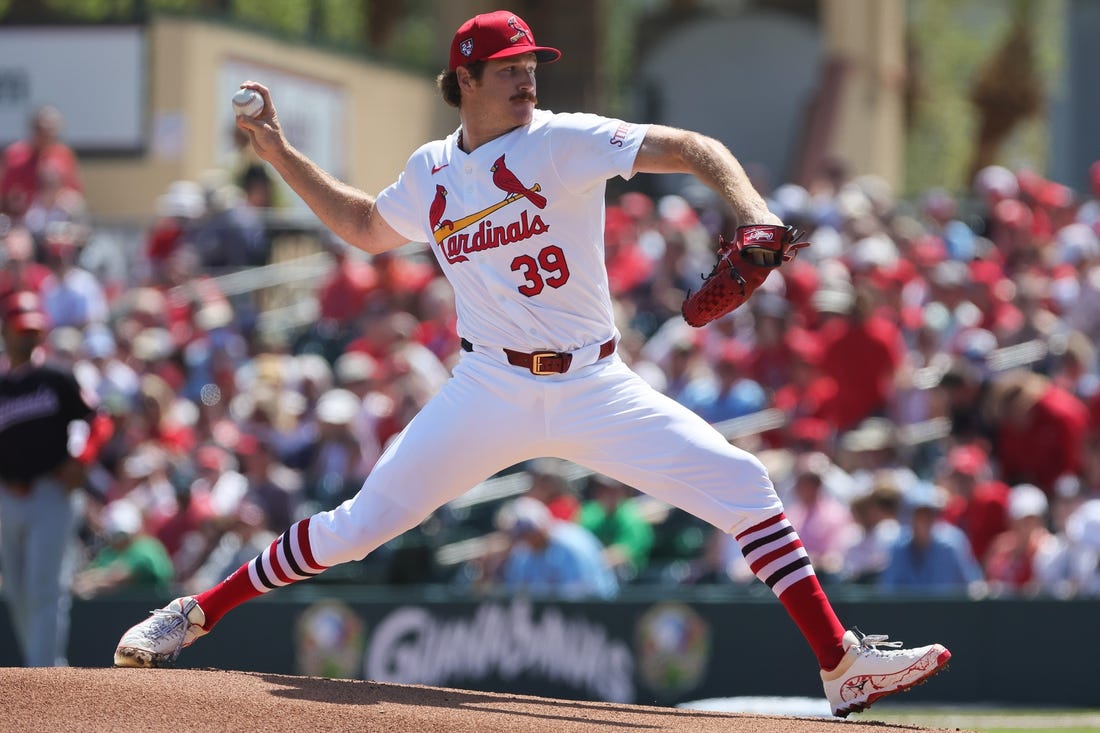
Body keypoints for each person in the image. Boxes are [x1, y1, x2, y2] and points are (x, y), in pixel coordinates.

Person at [112, 10, 950, 717]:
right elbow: (370, 226)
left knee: (744, 486)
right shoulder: (433, 170)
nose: (528, 79)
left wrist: (754, 212)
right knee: (356, 527)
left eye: (532, 66)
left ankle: (841, 665)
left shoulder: (564, 142)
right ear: (466, 78)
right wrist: (281, 154)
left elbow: (694, 146)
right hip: (488, 386)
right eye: (509, 68)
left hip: (593, 383)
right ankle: (193, 613)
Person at [0, 291, 112, 665]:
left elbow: (99, 419)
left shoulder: (56, 376)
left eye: (33, 330)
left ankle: (42, 677)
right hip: (7, 496)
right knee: (17, 592)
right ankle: (45, 673)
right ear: (6, 330)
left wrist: (83, 457)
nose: (28, 337)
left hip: (51, 493)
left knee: (43, 590)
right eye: (21, 330)